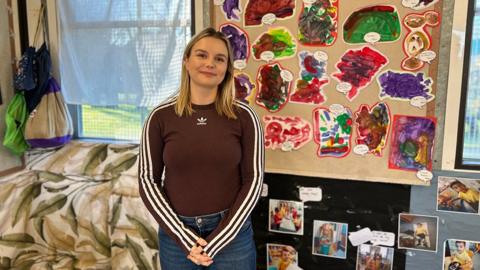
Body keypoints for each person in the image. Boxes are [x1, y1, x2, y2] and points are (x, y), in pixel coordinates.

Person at [138, 27, 264, 269]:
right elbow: (147, 180)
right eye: (201, 55)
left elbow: (254, 179)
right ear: (186, 61)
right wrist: (185, 238)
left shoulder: (245, 116)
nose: (210, 63)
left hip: (232, 237)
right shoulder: (160, 117)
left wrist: (218, 240)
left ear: (227, 68)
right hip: (177, 238)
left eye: (219, 59)